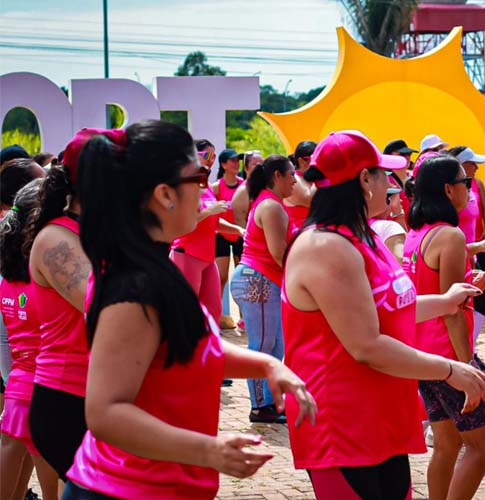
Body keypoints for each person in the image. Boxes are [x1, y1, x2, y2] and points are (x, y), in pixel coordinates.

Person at [60, 120, 316, 500]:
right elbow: (105, 413)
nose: (204, 190)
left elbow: (194, 346)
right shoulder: (134, 287)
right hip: (123, 490)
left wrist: (266, 365)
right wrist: (207, 450)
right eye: (197, 177)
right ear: (164, 194)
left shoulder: (152, 266)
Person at [282, 130, 485, 500]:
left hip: (382, 419)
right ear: (365, 180)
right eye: (385, 174)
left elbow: (392, 310)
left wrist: (445, 300)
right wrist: (448, 369)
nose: (394, 183)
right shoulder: (325, 246)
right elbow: (366, 345)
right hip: (343, 424)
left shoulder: (366, 236)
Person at [24, 129, 119, 481]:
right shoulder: (56, 239)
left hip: (104, 393)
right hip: (69, 398)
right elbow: (109, 304)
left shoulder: (102, 233)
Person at [405, 154, 485, 500]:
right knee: (483, 447)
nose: (469, 190)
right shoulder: (451, 235)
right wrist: (468, 362)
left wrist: (474, 280)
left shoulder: (417, 234)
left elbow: (437, 290)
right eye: (466, 182)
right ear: (448, 189)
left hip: (422, 354)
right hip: (446, 357)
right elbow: (452, 311)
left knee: (446, 446)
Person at [1, 180, 60, 500]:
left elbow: (4, 343)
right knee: (54, 491)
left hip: (19, 389)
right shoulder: (51, 278)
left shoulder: (8, 278)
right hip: (49, 390)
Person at [231, 155, 297, 424]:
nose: (295, 180)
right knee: (262, 347)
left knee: (274, 345)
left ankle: (269, 402)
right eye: (291, 174)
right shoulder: (270, 206)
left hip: (264, 281)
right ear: (277, 176)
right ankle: (260, 407)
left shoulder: (272, 203)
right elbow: (278, 253)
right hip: (258, 281)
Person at [170, 144, 243, 326]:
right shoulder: (184, 186)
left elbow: (214, 223)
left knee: (213, 311)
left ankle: (208, 351)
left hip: (207, 258)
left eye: (214, 155)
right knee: (187, 311)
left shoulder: (208, 187)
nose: (211, 160)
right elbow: (182, 221)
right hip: (187, 254)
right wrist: (210, 211)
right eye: (207, 154)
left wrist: (238, 230)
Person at [448, 145, 485, 370]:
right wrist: (469, 250)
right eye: (472, 163)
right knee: (460, 304)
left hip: (472, 252)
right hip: (461, 252)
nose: (477, 166)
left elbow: (482, 210)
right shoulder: (453, 192)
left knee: (480, 299)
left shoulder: (473, 186)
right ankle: (463, 354)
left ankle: (471, 349)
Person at [213, 147, 246, 331]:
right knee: (221, 277)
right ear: (224, 165)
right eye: (232, 160)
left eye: (237, 160)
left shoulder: (244, 185)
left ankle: (244, 319)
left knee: (242, 279)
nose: (236, 163)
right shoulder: (216, 187)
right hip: (221, 236)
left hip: (240, 234)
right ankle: (215, 317)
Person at [281, 141, 318, 237]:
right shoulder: (294, 179)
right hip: (299, 236)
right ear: (301, 161)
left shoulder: (311, 180)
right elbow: (310, 200)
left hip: (313, 233)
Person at [369, 178, 407, 263]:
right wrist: (398, 213)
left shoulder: (360, 225)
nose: (400, 200)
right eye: (391, 196)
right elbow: (401, 267)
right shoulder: (390, 228)